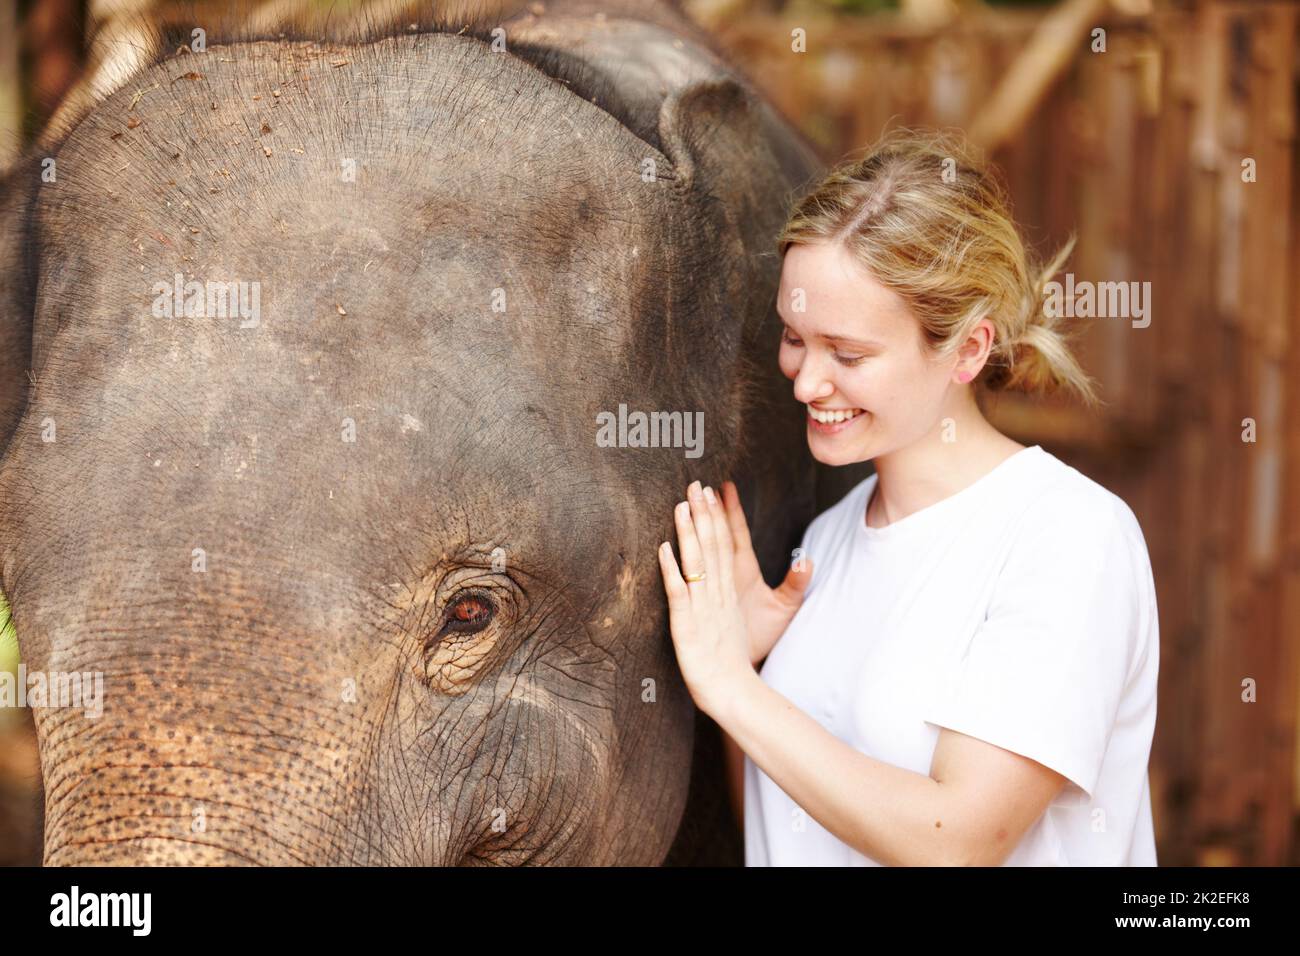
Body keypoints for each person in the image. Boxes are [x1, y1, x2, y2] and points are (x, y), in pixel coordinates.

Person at [656, 129, 1159, 866]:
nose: (805, 382)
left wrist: (732, 688)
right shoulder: (825, 543)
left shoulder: (1068, 536)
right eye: (794, 337)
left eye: (849, 353)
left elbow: (957, 839)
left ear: (967, 349)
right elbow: (784, 831)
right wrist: (751, 665)